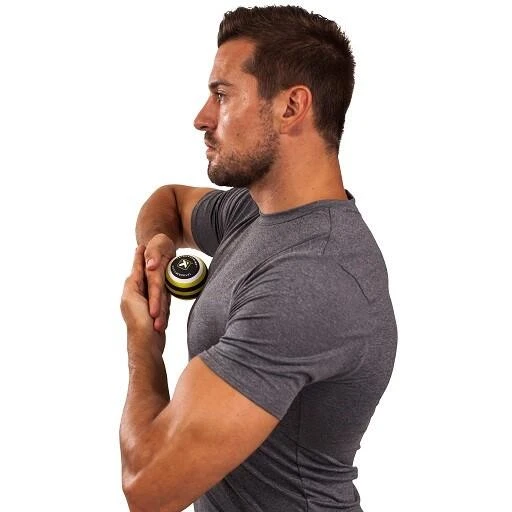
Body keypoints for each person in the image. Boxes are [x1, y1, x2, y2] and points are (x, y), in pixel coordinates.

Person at [120, 5, 397, 512]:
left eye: (222, 95)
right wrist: (159, 241)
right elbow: (170, 201)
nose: (202, 118)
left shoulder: (311, 279)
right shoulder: (256, 213)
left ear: (292, 107)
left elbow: (148, 486)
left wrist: (144, 346)